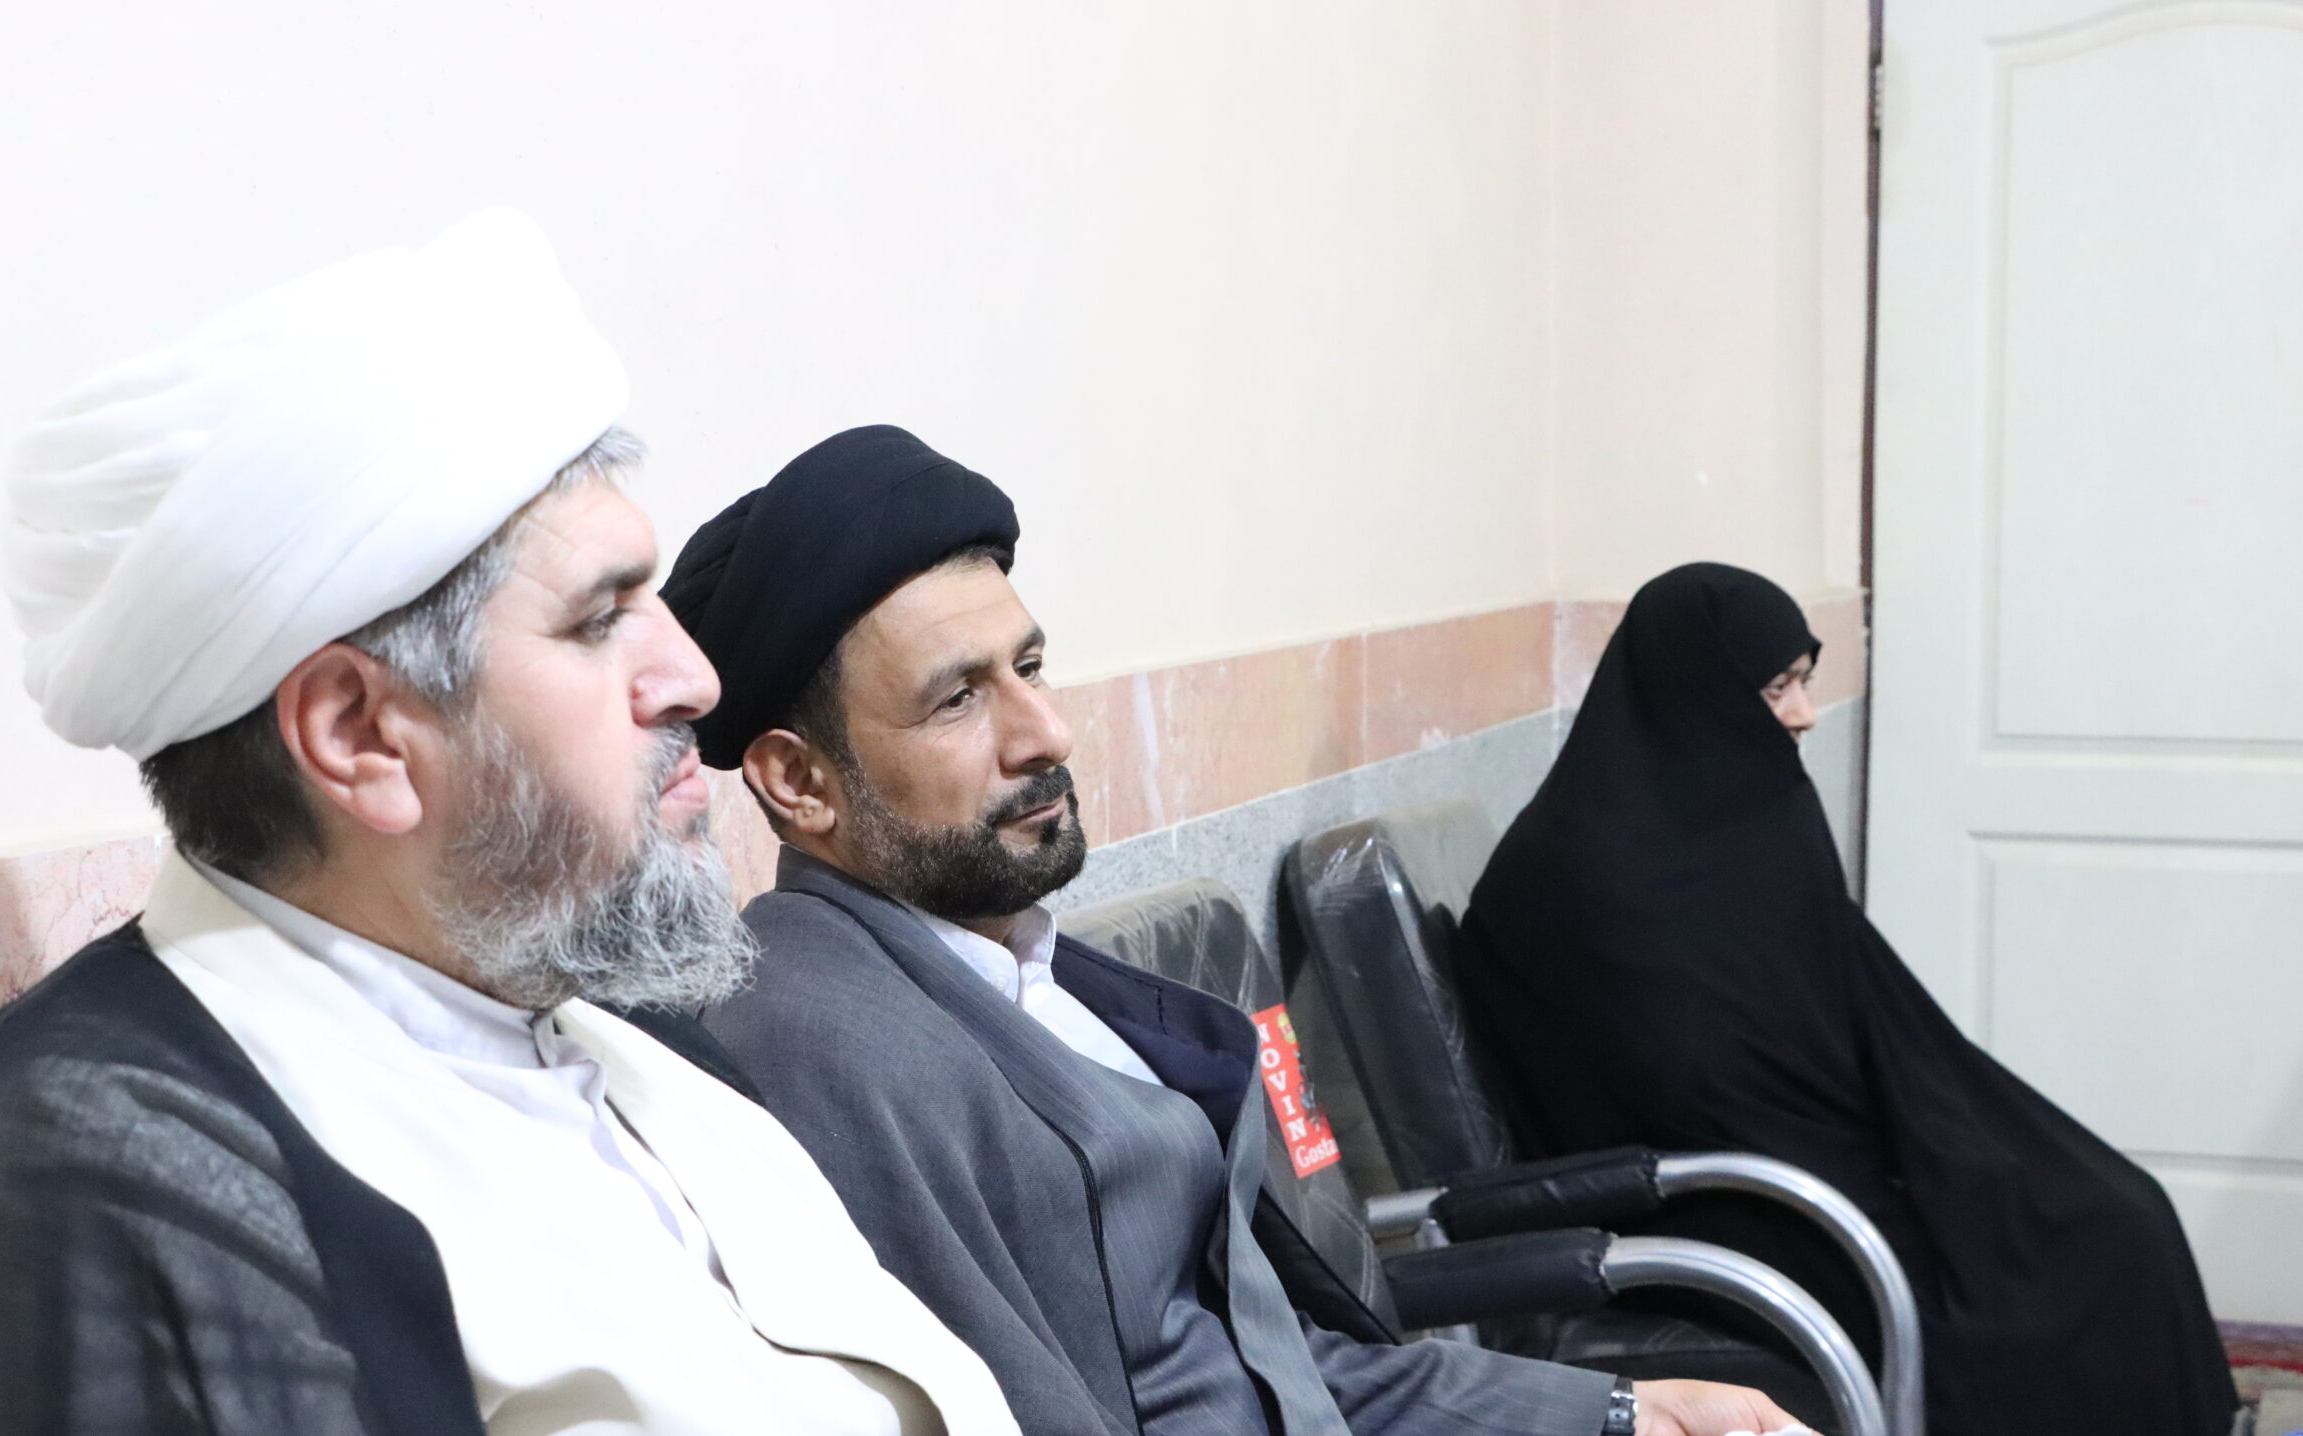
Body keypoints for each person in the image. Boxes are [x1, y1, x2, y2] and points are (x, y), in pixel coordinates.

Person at [0, 215, 1020, 1435]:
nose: (694, 679)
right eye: (598, 620)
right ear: (360, 734)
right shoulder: (117, 1166)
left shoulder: (629, 1033)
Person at [660, 426, 1812, 1436]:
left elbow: (1279, 1372)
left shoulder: (1044, 977)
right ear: (798, 781)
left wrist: (1627, 1410)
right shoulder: (823, 1050)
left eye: (1030, 666)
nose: (1045, 731)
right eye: (957, 697)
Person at [1456, 561, 2242, 1436]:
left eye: (1803, 681)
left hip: (1807, 1159)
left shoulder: (1744, 811)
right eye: (1776, 687)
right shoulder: (1577, 874)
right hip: (1724, 1203)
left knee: (2118, 1212)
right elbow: (1674, 1085)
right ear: (1693, 690)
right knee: (2033, 1296)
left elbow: (1852, 1014)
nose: (1803, 713)